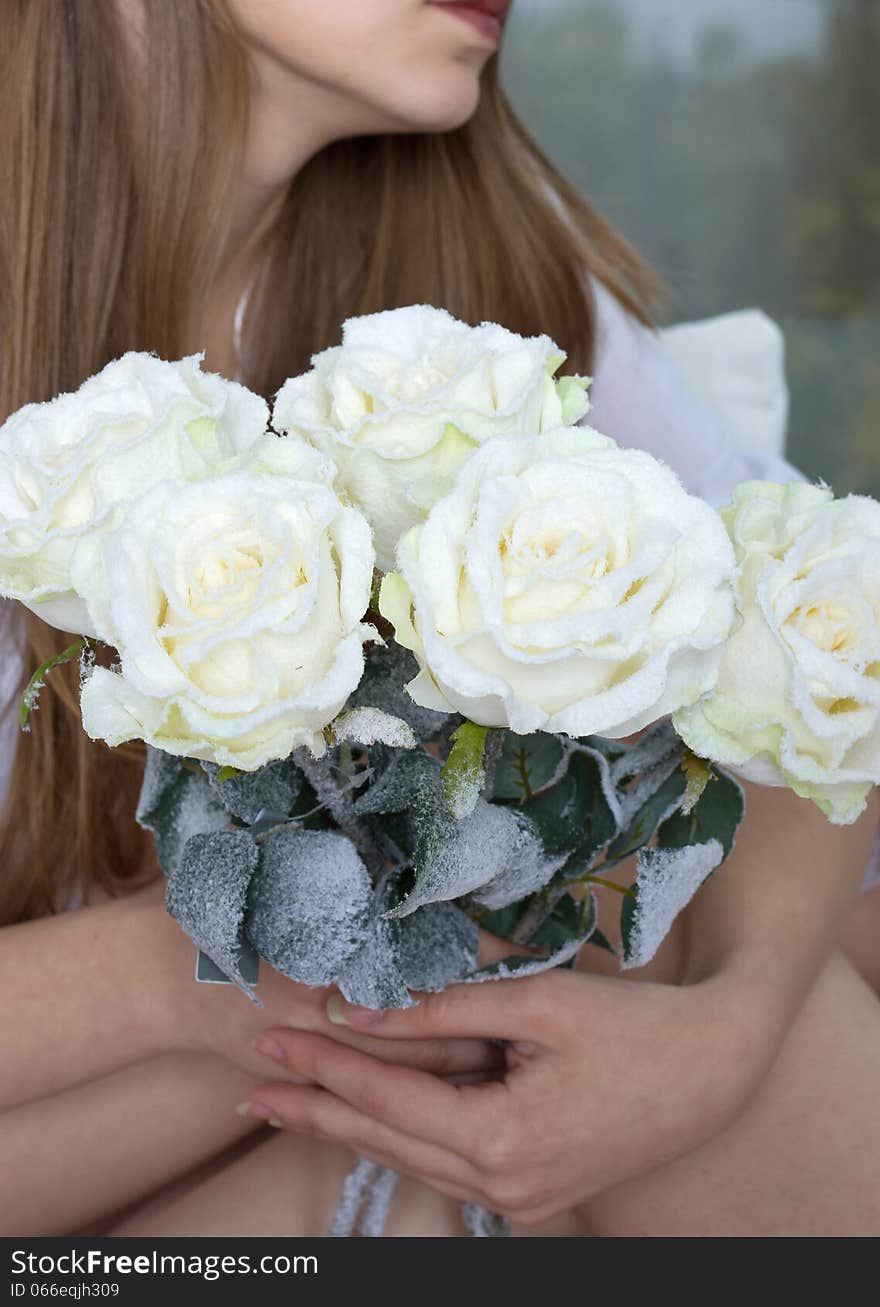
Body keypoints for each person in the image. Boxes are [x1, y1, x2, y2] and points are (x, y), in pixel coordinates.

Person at [0, 0, 878, 1238]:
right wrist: (201, 972)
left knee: (632, 1002)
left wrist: (723, 1034)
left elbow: (816, 665)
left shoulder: (469, 320)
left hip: (291, 1128)